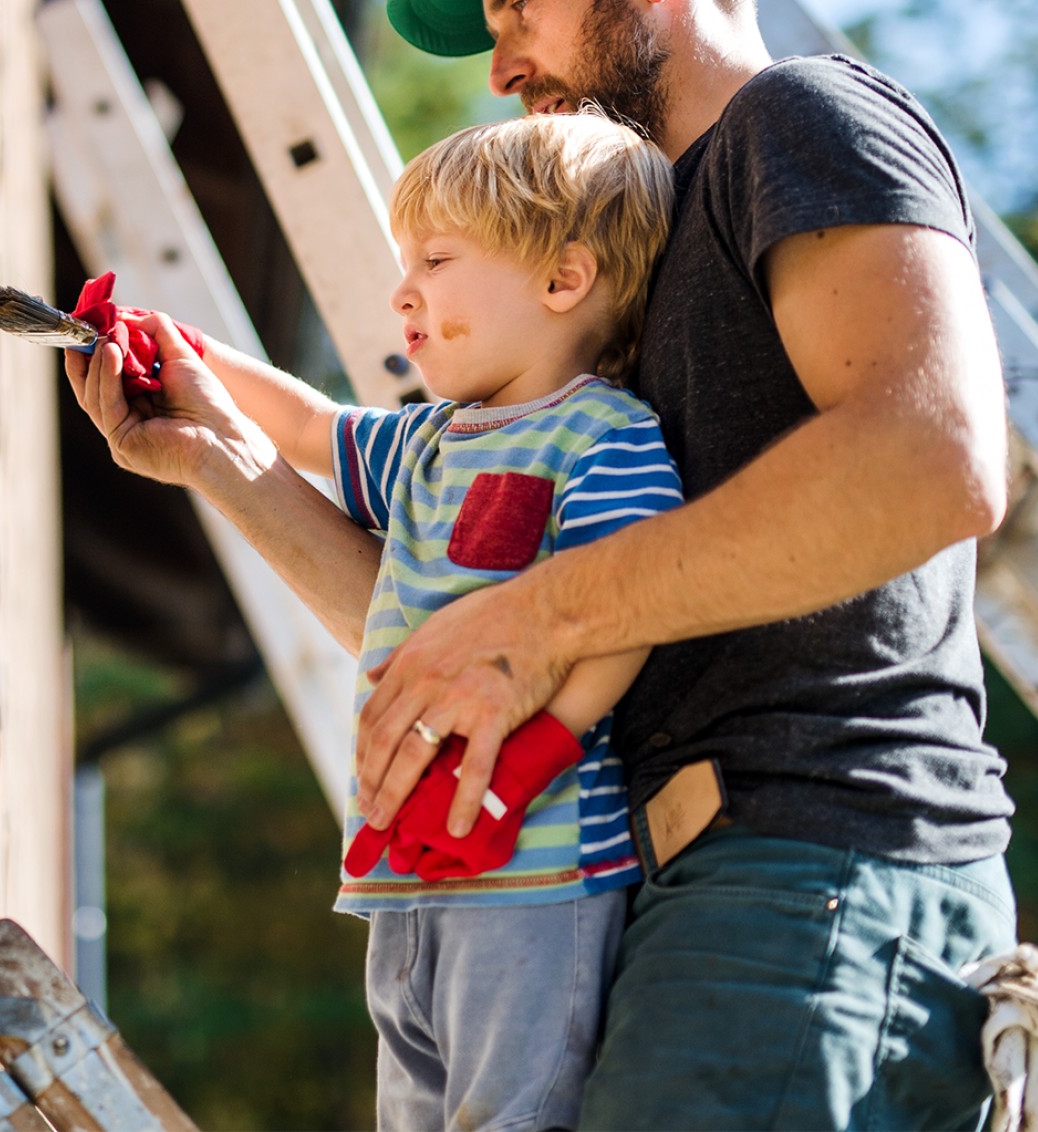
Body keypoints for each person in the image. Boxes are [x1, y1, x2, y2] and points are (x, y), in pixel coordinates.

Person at [69, 0, 1018, 1129]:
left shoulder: (799, 123)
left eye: (520, 3)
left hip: (819, 865)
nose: (505, 66)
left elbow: (936, 462)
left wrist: (535, 617)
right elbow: (457, 635)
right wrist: (226, 463)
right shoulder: (620, 281)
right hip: (677, 891)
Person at [84, 113, 682, 1132]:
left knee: (509, 1114)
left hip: (535, 872)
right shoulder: (427, 443)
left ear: (562, 280)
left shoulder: (604, 436)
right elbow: (311, 427)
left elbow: (621, 612)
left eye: (436, 260)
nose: (401, 290)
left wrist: (541, 744)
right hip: (397, 867)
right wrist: (182, 352)